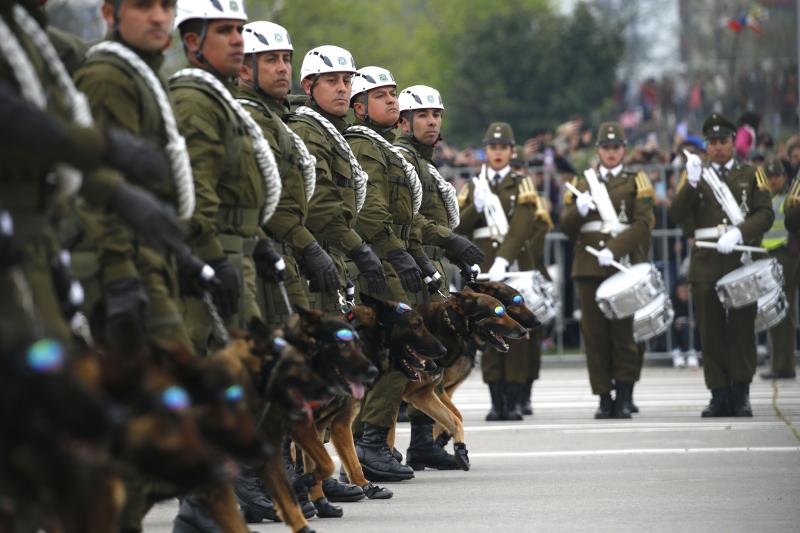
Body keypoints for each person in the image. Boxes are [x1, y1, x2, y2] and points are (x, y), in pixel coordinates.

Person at [0, 0, 185, 349]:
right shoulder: (104, 73)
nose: (159, 16)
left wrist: (112, 190)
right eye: (145, 5)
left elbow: (51, 152)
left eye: (167, 6)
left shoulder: (24, 33)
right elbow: (16, 122)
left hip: (39, 241)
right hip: (24, 241)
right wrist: (103, 149)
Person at [345, 67, 457, 474]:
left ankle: (406, 442)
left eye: (394, 94)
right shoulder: (366, 147)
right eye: (382, 95)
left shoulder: (386, 148)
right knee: (395, 354)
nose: (392, 101)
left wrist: (437, 248)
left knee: (418, 350)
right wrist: (406, 253)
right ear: (360, 107)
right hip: (381, 263)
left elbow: (408, 216)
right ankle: (367, 444)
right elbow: (374, 214)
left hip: (401, 259)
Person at [170, 0, 283, 353]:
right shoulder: (194, 101)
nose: (238, 40)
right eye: (223, 31)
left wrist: (258, 238)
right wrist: (213, 258)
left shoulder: (220, 100)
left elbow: (240, 188)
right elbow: (196, 193)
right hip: (216, 252)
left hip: (239, 248)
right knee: (220, 370)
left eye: (239, 29)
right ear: (192, 42)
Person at [668, 112, 773, 417]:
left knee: (741, 330)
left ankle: (741, 394)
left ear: (732, 142)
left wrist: (742, 231)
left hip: (740, 257)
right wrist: (691, 184)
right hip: (707, 262)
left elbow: (765, 213)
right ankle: (718, 394)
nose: (717, 147)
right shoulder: (695, 175)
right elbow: (676, 216)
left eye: (723, 141)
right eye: (711, 142)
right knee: (710, 332)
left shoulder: (752, 174)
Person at [236, 20, 338, 327]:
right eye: (270, 60)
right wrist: (308, 245)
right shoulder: (251, 118)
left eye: (286, 59)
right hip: (265, 255)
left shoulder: (276, 119)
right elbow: (269, 200)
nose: (282, 68)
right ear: (244, 70)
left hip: (285, 254)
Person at [457, 122, 553, 420]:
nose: (498, 153)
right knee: (487, 331)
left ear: (512, 152)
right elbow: (458, 227)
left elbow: (524, 224)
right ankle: (496, 400)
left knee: (516, 330)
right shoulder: (474, 186)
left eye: (503, 148)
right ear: (486, 152)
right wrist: (475, 206)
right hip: (485, 269)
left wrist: (505, 258)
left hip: (515, 267)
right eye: (493, 148)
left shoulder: (522, 184)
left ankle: (513, 400)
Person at [561, 122, 655, 419]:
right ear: (598, 150)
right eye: (606, 148)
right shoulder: (582, 181)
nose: (611, 153)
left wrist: (614, 250)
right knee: (595, 336)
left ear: (623, 150)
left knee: (624, 334)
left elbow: (644, 223)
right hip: (588, 266)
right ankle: (604, 396)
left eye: (616, 148)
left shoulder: (636, 179)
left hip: (622, 263)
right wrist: (580, 209)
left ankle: (625, 396)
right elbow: (565, 226)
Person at [287, 45, 387, 313]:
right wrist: (359, 249)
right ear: (309, 86)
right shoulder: (308, 132)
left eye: (347, 80)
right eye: (332, 81)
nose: (343, 88)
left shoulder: (332, 133)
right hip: (311, 260)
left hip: (333, 255)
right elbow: (320, 201)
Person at [759, 156, 797, 380]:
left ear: (784, 177)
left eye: (777, 176)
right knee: (774, 312)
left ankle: (784, 365)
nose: (773, 180)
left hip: (784, 255)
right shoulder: (762, 199)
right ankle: (779, 363)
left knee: (784, 312)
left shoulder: (790, 199)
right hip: (767, 256)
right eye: (769, 176)